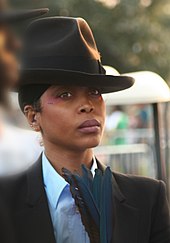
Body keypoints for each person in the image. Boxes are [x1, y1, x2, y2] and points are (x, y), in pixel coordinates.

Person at [0, 16, 169, 243]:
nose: (87, 105)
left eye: (94, 92)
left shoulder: (147, 198)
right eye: (65, 94)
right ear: (32, 116)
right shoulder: (5, 202)